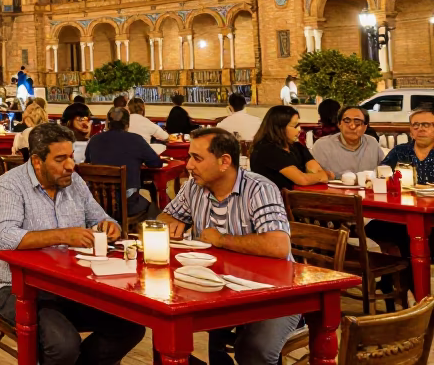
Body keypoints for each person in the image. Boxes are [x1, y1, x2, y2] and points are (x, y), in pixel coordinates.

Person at [0, 123, 139, 364]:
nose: (71, 165)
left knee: (130, 325)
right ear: (37, 161)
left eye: (71, 156)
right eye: (61, 159)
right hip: (18, 289)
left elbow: (101, 218)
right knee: (63, 345)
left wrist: (110, 227)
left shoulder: (75, 182)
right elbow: (3, 237)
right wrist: (63, 235)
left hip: (72, 285)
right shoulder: (10, 185)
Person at [158, 127, 298, 364]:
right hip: (217, 288)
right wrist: (170, 225)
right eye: (189, 157)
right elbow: (164, 219)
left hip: (276, 292)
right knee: (165, 334)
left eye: (197, 158)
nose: (189, 165)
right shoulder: (194, 187)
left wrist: (220, 239)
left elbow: (278, 245)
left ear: (224, 161)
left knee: (255, 350)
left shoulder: (259, 188)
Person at [365, 105, 434, 256]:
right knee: (374, 228)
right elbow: (379, 175)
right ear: (410, 130)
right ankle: (399, 273)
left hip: (431, 217)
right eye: (416, 125)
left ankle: (405, 273)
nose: (420, 129)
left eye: (426, 125)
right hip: (401, 215)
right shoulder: (400, 151)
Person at [85, 106, 160, 216]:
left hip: (98, 204)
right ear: (127, 125)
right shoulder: (136, 140)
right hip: (128, 205)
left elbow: (88, 162)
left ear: (107, 124)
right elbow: (156, 163)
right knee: (153, 208)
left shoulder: (94, 140)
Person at [249, 104, 329, 190]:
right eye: (294, 126)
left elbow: (318, 171)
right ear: (279, 128)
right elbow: (302, 179)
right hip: (274, 200)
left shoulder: (297, 147)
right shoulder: (267, 150)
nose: (299, 130)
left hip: (302, 198)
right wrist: (319, 177)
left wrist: (318, 176)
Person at [311, 105, 382, 177]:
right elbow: (312, 176)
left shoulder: (372, 143)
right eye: (347, 121)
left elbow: (384, 170)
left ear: (365, 126)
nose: (352, 126)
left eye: (357, 121)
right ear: (339, 124)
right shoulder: (322, 146)